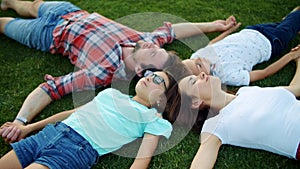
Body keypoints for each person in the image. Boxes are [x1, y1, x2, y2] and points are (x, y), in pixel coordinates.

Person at [0, 0, 236, 140]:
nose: (153, 44)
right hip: (69, 11)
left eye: (153, 52)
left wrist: (20, 122)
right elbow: (172, 31)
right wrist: (215, 26)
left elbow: (51, 89)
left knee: (4, 24)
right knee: (30, 4)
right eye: (156, 47)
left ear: (143, 69)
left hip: (48, 35)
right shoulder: (142, 39)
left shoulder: (102, 72)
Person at [0, 56, 192, 168]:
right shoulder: (111, 94)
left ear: (161, 99)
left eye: (158, 81)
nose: (149, 78)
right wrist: (28, 128)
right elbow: (71, 113)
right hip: (50, 133)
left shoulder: (153, 118)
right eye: (151, 74)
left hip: (75, 150)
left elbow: (143, 158)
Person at [177, 44, 300, 169]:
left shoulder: (245, 91)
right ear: (196, 102)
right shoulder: (215, 125)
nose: (202, 74)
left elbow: (296, 89)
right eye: (193, 81)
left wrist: (298, 58)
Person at [183, 7, 300, 86]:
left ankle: (290, 20)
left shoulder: (198, 55)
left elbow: (214, 43)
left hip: (252, 30)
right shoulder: (228, 76)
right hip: (271, 42)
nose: (198, 58)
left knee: (288, 24)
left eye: (193, 59)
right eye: (198, 65)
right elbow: (264, 72)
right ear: (203, 76)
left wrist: (229, 30)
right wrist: (290, 56)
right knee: (293, 21)